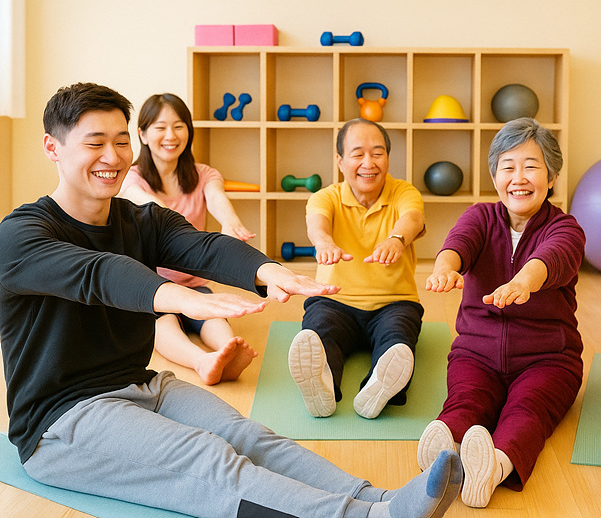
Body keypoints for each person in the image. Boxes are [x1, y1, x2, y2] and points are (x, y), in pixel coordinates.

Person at [0, 82, 462, 518]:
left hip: (141, 385)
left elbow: (203, 246)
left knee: (247, 436)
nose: (112, 156)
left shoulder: (140, 220)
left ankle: (379, 499)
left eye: (121, 142)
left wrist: (268, 271)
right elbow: (97, 273)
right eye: (95, 143)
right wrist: (176, 297)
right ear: (52, 147)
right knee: (208, 458)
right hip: (61, 422)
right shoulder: (20, 236)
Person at [418, 117, 585, 507]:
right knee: (466, 401)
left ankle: (493, 468)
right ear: (495, 177)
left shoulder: (566, 228)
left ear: (552, 177)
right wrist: (444, 268)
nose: (518, 177)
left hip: (549, 359)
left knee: (527, 410)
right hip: (476, 353)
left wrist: (523, 282)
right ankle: (445, 452)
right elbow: (458, 244)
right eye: (508, 167)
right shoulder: (480, 216)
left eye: (531, 166)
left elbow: (551, 258)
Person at [288, 118, 426, 420]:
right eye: (358, 154)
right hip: (335, 300)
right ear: (340, 161)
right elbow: (317, 224)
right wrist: (324, 242)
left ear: (387, 158)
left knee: (398, 340)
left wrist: (396, 239)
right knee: (320, 332)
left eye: (377, 153)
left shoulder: (404, 192)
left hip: (394, 302)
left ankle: (378, 388)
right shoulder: (326, 196)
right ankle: (322, 385)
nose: (368, 163)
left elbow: (412, 219)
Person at [119, 93, 257, 386]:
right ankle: (201, 361)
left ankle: (227, 352)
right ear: (143, 134)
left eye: (179, 126)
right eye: (160, 127)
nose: (171, 135)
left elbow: (216, 198)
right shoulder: (132, 178)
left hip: (194, 284)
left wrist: (231, 223)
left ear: (188, 132)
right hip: (155, 287)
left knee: (212, 314)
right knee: (163, 323)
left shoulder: (204, 174)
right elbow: (146, 202)